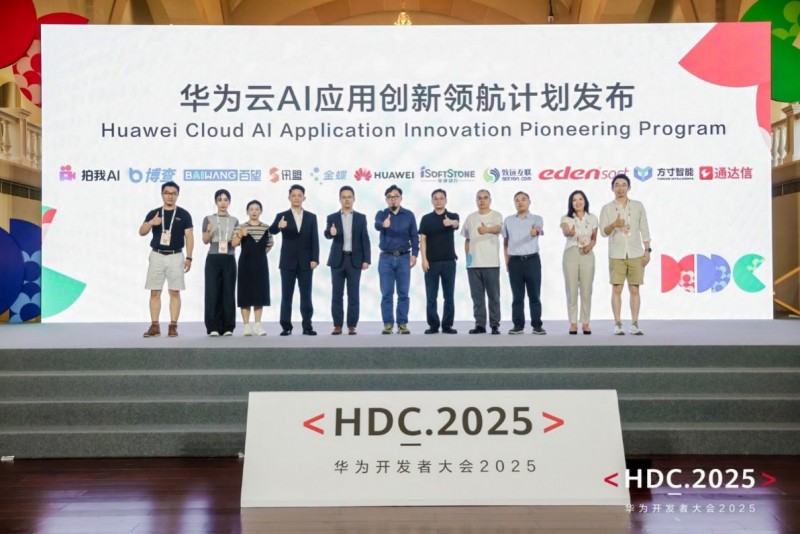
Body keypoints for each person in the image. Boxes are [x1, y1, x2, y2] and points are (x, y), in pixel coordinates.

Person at [139, 181, 193, 338]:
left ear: (178, 195)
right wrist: (151, 223)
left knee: (174, 291)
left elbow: (189, 236)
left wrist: (189, 257)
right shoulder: (154, 213)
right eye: (167, 193)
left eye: (173, 193)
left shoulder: (184, 214)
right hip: (157, 255)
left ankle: (173, 326)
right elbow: (141, 232)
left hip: (176, 256)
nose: (170, 196)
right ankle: (154, 325)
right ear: (162, 194)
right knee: (155, 291)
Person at [599, 173, 651, 335]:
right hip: (616, 253)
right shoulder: (607, 208)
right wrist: (614, 224)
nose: (620, 188)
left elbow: (644, 228)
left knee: (635, 289)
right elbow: (603, 232)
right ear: (612, 188)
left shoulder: (638, 206)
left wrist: (647, 250)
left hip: (636, 252)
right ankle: (617, 324)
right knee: (617, 289)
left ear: (629, 187)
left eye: (623, 185)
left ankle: (634, 324)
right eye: (617, 185)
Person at [270, 184, 319, 336]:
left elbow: (315, 239)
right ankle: (286, 326)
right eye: (294, 195)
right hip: (287, 262)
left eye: (299, 195)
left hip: (306, 262)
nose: (296, 198)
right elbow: (271, 230)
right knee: (286, 296)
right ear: (289, 197)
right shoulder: (282, 215)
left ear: (304, 198)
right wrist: (279, 226)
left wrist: (315, 258)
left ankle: (307, 326)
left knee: (306, 296)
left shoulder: (311, 217)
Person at [324, 186, 371, 335]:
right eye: (343, 197)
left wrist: (367, 259)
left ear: (354, 199)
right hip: (337, 260)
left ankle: (352, 325)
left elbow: (365, 239)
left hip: (355, 260)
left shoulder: (361, 218)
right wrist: (330, 232)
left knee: (354, 294)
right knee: (337, 294)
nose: (346, 200)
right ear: (340, 199)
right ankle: (337, 325)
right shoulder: (332, 217)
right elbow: (327, 234)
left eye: (349, 197)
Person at [374, 185, 419, 335]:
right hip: (386, 258)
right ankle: (388, 324)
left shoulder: (409, 215)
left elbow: (414, 236)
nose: (393, 199)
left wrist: (415, 254)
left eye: (396, 196)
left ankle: (402, 324)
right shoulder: (382, 214)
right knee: (386, 294)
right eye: (390, 197)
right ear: (386, 199)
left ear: (401, 198)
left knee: (403, 293)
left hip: (404, 257)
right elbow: (376, 225)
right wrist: (383, 224)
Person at [502, 191, 546, 335]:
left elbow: (538, 229)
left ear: (529, 202)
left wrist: (535, 231)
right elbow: (505, 242)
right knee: (517, 296)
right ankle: (518, 325)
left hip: (532, 261)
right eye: (517, 200)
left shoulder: (536, 219)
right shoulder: (508, 220)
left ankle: (537, 325)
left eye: (523, 199)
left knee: (534, 295)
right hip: (514, 262)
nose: (520, 202)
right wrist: (507, 261)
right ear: (514, 203)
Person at [461, 189, 503, 335]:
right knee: (477, 297)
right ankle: (480, 325)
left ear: (490, 200)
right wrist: (468, 259)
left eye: (485, 198)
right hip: (474, 265)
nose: (482, 200)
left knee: (494, 296)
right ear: (476, 200)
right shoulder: (470, 218)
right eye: (479, 198)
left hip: (491, 263)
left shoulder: (496, 215)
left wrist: (487, 230)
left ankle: (494, 324)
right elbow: (467, 239)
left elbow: (498, 228)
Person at [419, 189, 460, 334]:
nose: (438, 201)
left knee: (449, 296)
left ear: (446, 200)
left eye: (441, 198)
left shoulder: (452, 216)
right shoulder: (426, 219)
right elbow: (422, 240)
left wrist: (450, 222)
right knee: (431, 296)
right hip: (431, 263)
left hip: (449, 262)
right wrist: (424, 260)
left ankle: (447, 325)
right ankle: (433, 325)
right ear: (432, 201)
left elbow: (456, 224)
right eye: (435, 198)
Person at [232, 200, 273, 336]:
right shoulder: (241, 227)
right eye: (251, 209)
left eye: (257, 209)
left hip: (261, 264)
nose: (254, 212)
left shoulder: (266, 228)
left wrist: (259, 255)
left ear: (261, 211)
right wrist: (240, 235)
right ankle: (246, 326)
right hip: (245, 263)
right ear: (247, 211)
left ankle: (258, 325)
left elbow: (269, 245)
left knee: (259, 294)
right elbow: (233, 244)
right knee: (245, 293)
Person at [201, 189, 238, 337]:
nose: (223, 203)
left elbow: (234, 244)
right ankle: (213, 327)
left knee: (229, 292)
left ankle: (228, 326)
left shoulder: (234, 220)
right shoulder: (208, 219)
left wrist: (240, 237)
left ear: (229, 202)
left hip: (229, 257)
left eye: (225, 200)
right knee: (212, 292)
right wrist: (208, 231)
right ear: (215, 202)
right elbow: (205, 241)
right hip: (213, 257)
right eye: (220, 200)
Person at [561, 190, 598, 335]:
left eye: (580, 199)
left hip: (587, 253)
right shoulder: (566, 218)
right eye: (574, 200)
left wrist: (590, 246)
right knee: (571, 289)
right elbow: (565, 231)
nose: (578, 202)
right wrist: (570, 232)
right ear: (571, 203)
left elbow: (594, 238)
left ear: (585, 201)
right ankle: (573, 323)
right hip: (571, 253)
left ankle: (586, 322)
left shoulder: (592, 218)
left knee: (586, 289)